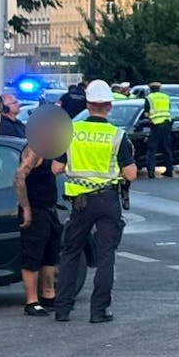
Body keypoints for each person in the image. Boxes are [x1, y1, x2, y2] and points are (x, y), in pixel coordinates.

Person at [54, 80, 137, 324]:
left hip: (79, 203)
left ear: (88, 104)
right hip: (108, 200)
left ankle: (62, 309)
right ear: (109, 106)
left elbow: (55, 167)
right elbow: (131, 174)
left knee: (70, 253)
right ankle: (99, 311)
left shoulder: (71, 131)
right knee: (105, 256)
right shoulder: (117, 136)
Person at [2, 94, 67, 316]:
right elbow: (19, 176)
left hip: (49, 208)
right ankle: (31, 301)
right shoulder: (34, 149)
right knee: (33, 256)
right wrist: (26, 208)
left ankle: (48, 295)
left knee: (50, 254)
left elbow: (56, 170)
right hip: (36, 209)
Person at [140, 81, 174, 178]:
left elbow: (146, 113)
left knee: (152, 149)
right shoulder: (166, 97)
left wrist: (149, 118)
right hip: (167, 124)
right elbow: (168, 109)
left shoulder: (149, 98)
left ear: (150, 89)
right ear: (159, 89)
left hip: (156, 125)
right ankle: (169, 170)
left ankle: (151, 172)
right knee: (167, 148)